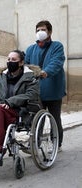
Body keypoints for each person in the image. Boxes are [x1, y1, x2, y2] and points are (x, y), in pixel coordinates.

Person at [25, 20, 66, 150]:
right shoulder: (31, 49)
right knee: (37, 119)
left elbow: (57, 62)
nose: (40, 32)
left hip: (53, 90)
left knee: (54, 118)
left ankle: (56, 143)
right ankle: (35, 144)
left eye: (43, 30)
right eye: (37, 30)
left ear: (49, 32)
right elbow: (25, 65)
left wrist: (45, 72)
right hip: (37, 92)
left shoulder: (57, 46)